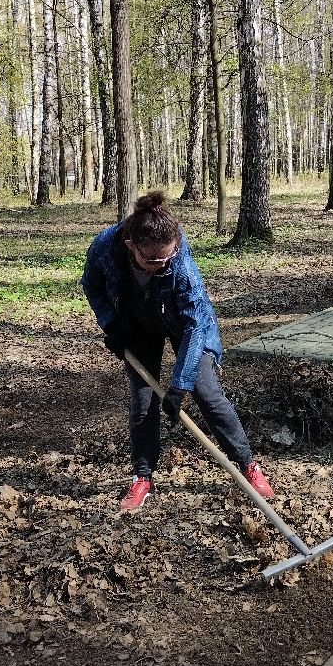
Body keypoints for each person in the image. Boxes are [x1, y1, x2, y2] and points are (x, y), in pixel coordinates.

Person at [81, 190, 275, 510]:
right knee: (143, 401)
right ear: (132, 247)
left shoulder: (179, 259)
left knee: (208, 394)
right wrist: (111, 325)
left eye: (167, 258)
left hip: (185, 324)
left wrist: (179, 385)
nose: (162, 264)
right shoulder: (105, 247)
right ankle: (142, 476)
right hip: (136, 325)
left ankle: (247, 465)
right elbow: (92, 286)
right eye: (154, 260)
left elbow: (195, 325)